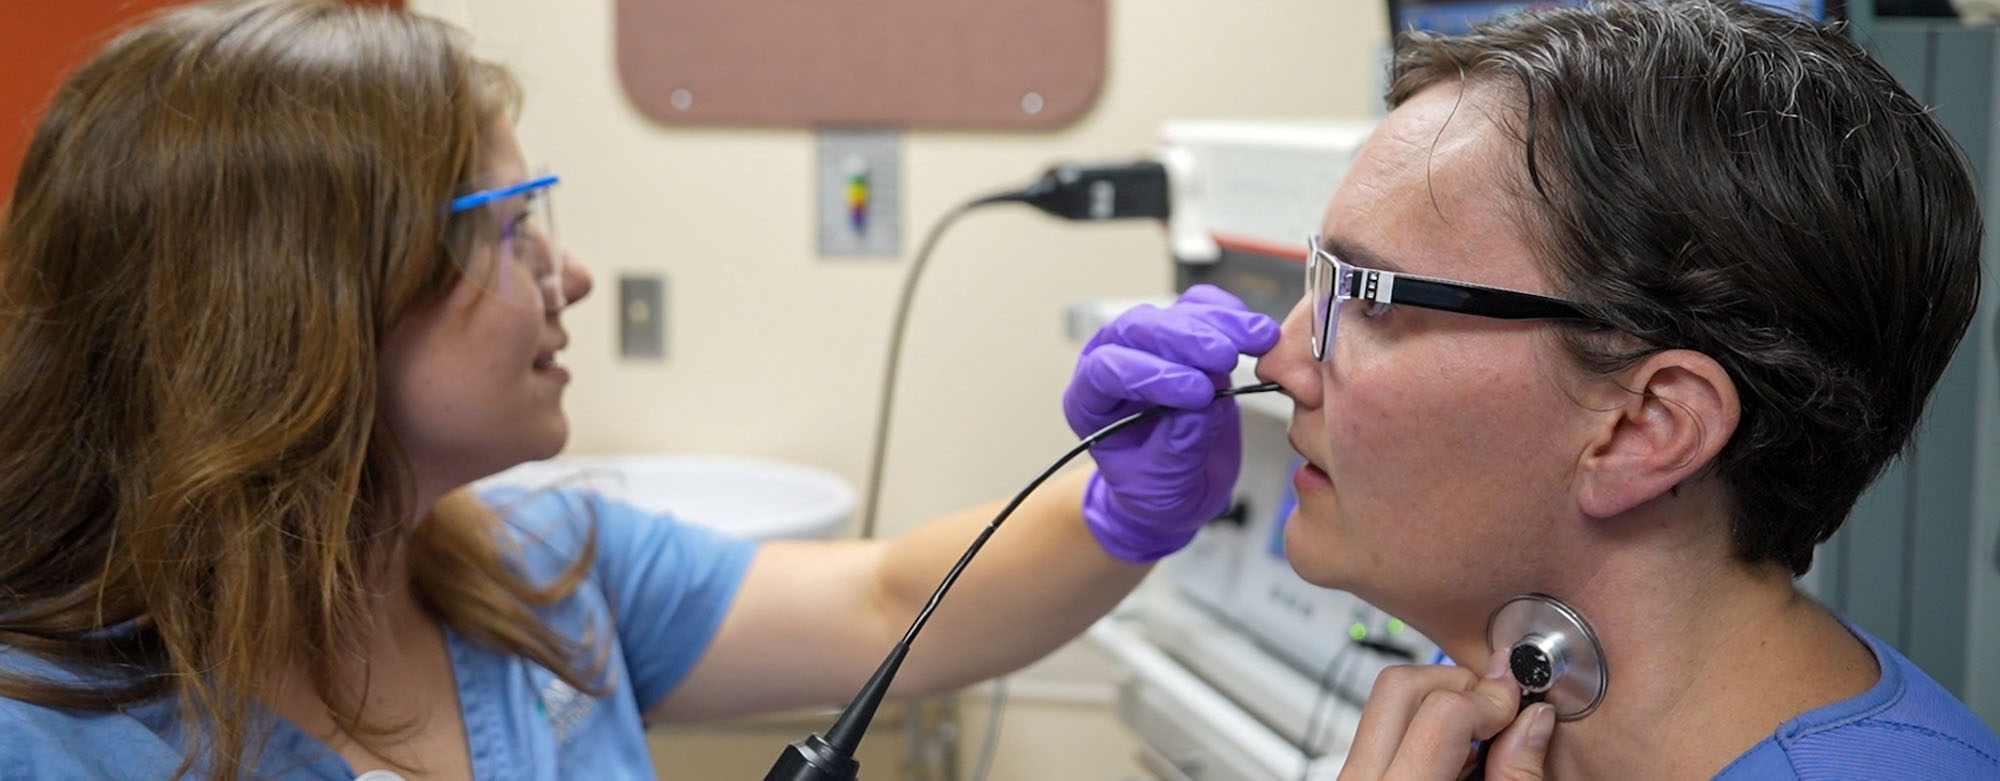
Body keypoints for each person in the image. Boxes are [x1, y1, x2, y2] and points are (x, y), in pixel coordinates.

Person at [0, 1, 1276, 778]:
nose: (575, 277)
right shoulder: (42, 735)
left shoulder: (542, 571)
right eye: (510, 229)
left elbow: (892, 600)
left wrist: (1124, 508)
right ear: (299, 297)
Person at [1234, 0, 1998, 778]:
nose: (1279, 360)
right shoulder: (1511, 672)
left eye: (1372, 299)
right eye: (1321, 276)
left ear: (1643, 426)